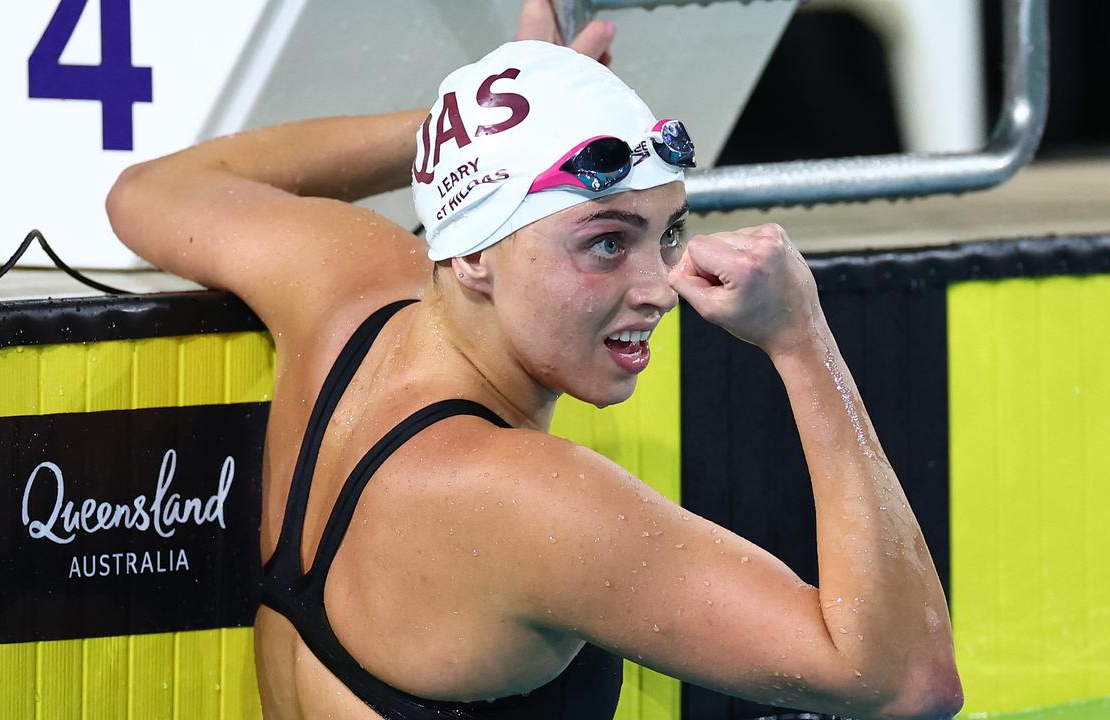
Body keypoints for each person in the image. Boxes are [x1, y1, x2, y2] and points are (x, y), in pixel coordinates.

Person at [106, 2, 963, 718]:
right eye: (603, 245)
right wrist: (802, 341)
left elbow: (148, 192)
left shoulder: (345, 289)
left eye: (665, 233)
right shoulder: (525, 497)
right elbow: (904, 681)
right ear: (476, 254)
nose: (658, 287)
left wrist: (465, 127)